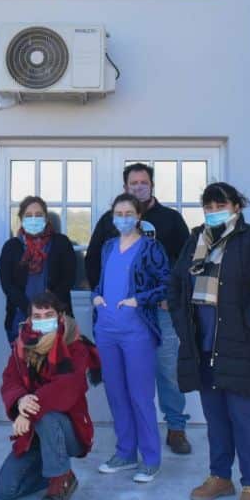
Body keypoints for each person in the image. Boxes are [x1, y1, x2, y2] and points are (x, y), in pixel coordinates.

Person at [170, 182, 250, 500]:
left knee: (243, 415)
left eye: (220, 205)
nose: (213, 211)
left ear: (236, 206)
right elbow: (177, 284)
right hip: (202, 343)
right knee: (215, 416)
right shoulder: (195, 240)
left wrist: (248, 324)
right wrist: (182, 327)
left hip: (240, 344)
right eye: (208, 206)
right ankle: (220, 477)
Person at [85, 163, 193, 455]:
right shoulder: (111, 220)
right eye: (133, 183)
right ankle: (131, 438)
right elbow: (94, 258)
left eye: (143, 182)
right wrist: (100, 296)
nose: (138, 187)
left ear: (152, 185)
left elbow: (185, 261)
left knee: (166, 368)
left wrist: (171, 295)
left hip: (160, 308)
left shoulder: (170, 219)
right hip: (123, 314)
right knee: (125, 376)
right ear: (125, 187)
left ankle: (175, 427)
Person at [0, 291, 101, 500]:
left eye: (49, 315)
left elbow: (67, 387)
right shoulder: (21, 345)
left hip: (68, 430)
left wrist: (27, 410)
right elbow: (10, 380)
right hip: (34, 434)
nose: (43, 320)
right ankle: (56, 467)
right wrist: (19, 400)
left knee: (47, 415)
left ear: (60, 317)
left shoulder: (75, 345)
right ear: (30, 319)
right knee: (5, 490)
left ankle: (60, 478)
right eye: (38, 316)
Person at [93, 193, 171, 483]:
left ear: (139, 216)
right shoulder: (108, 246)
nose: (123, 218)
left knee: (140, 395)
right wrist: (96, 296)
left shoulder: (151, 247)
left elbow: (167, 283)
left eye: (128, 213)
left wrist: (140, 299)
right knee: (116, 393)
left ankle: (150, 459)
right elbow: (103, 278)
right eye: (118, 212)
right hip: (107, 329)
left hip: (137, 330)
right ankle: (125, 453)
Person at [0, 196, 77, 344]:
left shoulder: (61, 243)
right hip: (21, 318)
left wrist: (48, 307)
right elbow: (7, 284)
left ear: (46, 218)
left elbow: (69, 278)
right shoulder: (11, 247)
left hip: (56, 316)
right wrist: (29, 310)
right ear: (21, 219)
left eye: (39, 215)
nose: (34, 219)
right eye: (28, 215)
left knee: (57, 364)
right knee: (24, 364)